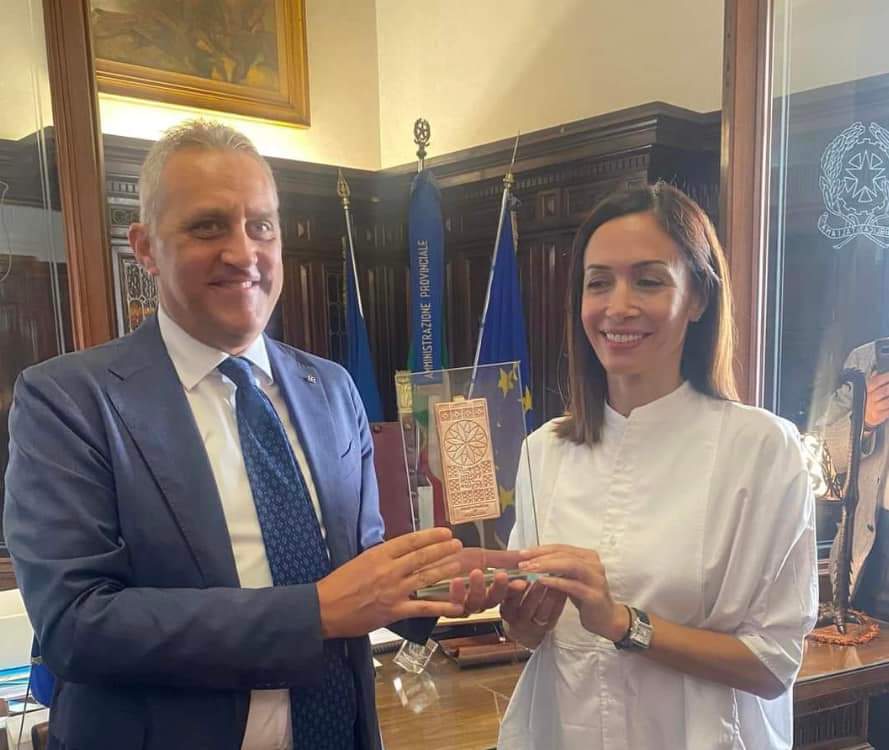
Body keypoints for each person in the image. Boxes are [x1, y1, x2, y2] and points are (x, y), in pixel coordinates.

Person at [3, 120, 503, 750]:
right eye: (208, 226)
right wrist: (313, 612)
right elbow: (76, 624)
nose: (243, 253)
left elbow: (357, 567)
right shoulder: (68, 401)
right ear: (145, 248)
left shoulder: (332, 388)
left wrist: (445, 586)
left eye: (261, 225)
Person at [496, 183, 818, 749]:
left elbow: (773, 664)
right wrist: (521, 620)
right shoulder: (542, 451)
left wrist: (624, 623)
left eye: (648, 280)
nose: (618, 307)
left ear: (697, 299)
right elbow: (535, 637)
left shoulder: (762, 451)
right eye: (599, 282)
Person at [821, 339, 889, 746]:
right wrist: (864, 421)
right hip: (874, 548)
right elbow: (827, 454)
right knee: (873, 698)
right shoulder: (867, 360)